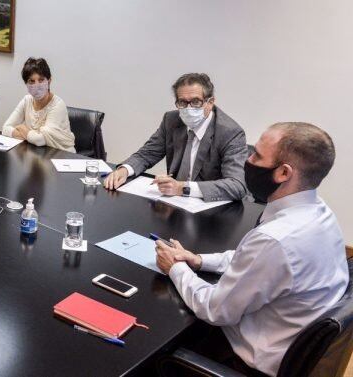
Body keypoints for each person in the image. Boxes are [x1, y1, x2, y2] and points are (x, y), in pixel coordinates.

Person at [155, 122, 347, 377]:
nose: (248, 159)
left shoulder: (276, 240)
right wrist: (198, 260)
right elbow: (255, 261)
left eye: (257, 155)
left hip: (245, 361)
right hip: (287, 336)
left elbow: (214, 309)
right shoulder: (319, 212)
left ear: (283, 173)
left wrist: (176, 267)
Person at [104, 73, 248, 202]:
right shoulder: (171, 120)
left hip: (212, 211)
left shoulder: (230, 133)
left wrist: (182, 188)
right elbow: (147, 154)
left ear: (210, 102)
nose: (189, 108)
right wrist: (124, 170)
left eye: (196, 102)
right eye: (182, 102)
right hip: (174, 204)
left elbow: (236, 186)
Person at [2, 57, 76, 152]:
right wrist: (31, 136)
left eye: (41, 80)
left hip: (62, 157)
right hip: (37, 154)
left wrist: (22, 128)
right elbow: (5, 129)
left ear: (49, 81)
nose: (36, 85)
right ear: (26, 84)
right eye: (31, 81)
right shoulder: (26, 100)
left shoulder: (58, 105)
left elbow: (40, 140)